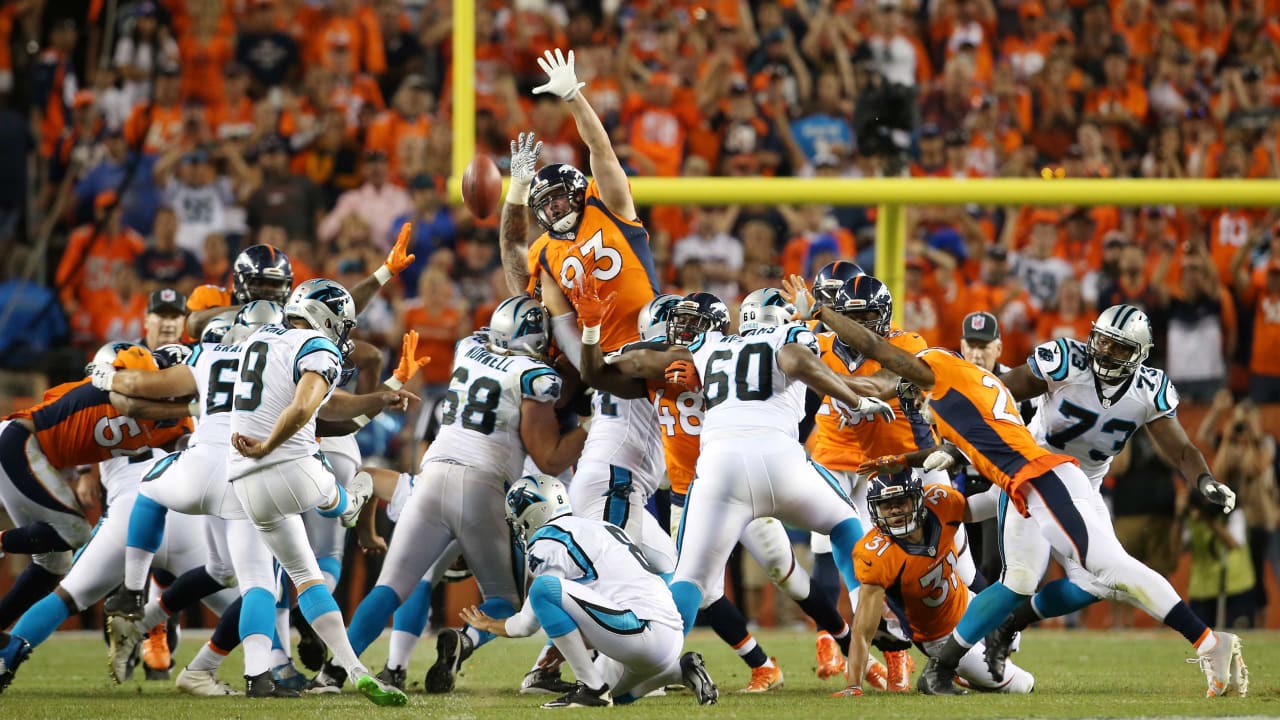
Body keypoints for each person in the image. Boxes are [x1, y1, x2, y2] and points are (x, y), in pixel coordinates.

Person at [815, 298, 1247, 698]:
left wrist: (823, 315)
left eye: (909, 386)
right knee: (1022, 578)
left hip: (1048, 476)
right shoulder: (969, 393)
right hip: (1031, 480)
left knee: (1110, 570)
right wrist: (908, 458)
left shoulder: (940, 376)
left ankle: (1210, 642)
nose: (908, 395)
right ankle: (942, 670)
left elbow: (879, 349)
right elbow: (975, 435)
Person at [580, 289, 861, 692]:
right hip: (694, 492)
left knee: (786, 575)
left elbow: (752, 383)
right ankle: (761, 664)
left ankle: (846, 638)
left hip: (731, 476)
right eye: (669, 329)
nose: (675, 336)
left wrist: (694, 380)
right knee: (703, 588)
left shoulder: (717, 355)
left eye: (686, 328)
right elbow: (614, 370)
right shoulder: (662, 368)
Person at [982, 304, 1243, 682]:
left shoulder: (1148, 389)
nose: (1105, 352)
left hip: (1084, 486)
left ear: (1139, 354)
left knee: (1098, 582)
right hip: (1033, 474)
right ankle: (955, 650)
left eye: (1119, 348)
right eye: (1103, 341)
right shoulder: (1067, 361)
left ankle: (1006, 626)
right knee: (1022, 576)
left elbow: (1182, 449)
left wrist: (1204, 479)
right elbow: (1003, 393)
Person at [344, 295, 586, 695]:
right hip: (483, 486)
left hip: (433, 474)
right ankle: (466, 638)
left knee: (390, 588)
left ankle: (337, 669)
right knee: (506, 600)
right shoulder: (535, 377)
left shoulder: (468, 349)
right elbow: (546, 456)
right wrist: (591, 427)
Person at [499, 49, 673, 580]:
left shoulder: (609, 204)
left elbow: (601, 148)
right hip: (603, 364)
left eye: (557, 199)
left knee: (659, 475)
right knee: (599, 486)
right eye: (542, 204)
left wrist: (574, 96)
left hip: (648, 352)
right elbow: (541, 301)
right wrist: (516, 191)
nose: (550, 210)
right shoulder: (547, 253)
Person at [223, 278, 408, 705]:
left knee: (304, 578)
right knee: (344, 499)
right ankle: (352, 499)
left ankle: (354, 668)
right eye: (341, 323)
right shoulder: (317, 346)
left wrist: (378, 397)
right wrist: (269, 445)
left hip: (245, 483)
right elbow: (305, 407)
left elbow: (326, 402)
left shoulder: (260, 337)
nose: (344, 333)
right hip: (292, 469)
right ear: (325, 318)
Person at [461, 474, 719, 709]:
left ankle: (592, 689)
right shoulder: (604, 528)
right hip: (668, 635)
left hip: (640, 631)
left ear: (531, 514)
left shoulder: (547, 540)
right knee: (617, 696)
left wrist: (489, 625)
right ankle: (680, 671)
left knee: (543, 589)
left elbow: (527, 623)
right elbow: (636, 581)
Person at [836, 471, 1033, 697]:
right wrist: (854, 685)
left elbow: (989, 504)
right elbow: (862, 631)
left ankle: (961, 673)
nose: (895, 510)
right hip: (939, 636)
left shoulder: (941, 505)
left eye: (901, 501)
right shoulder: (877, 554)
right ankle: (941, 670)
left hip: (968, 606)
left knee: (1013, 636)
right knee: (1023, 685)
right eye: (886, 505)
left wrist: (1012, 473)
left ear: (918, 498)